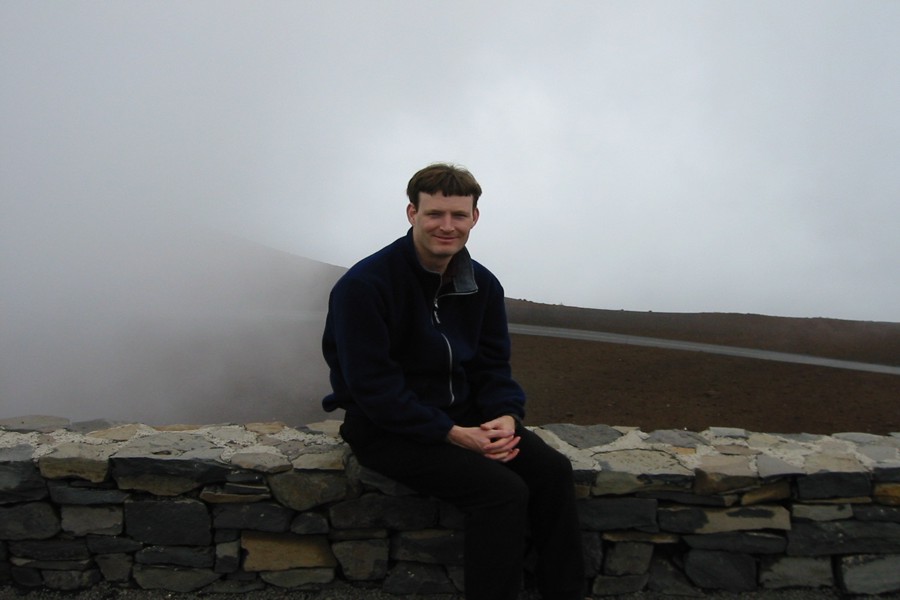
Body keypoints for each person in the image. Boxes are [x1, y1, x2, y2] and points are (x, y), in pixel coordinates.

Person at [322, 163, 585, 600]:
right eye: (435, 214)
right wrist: (452, 434)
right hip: (385, 428)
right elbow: (373, 388)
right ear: (412, 213)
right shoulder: (365, 286)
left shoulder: (481, 284)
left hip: (463, 415)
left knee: (553, 472)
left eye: (459, 216)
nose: (448, 226)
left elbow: (491, 366)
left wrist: (504, 413)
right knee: (500, 492)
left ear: (475, 218)